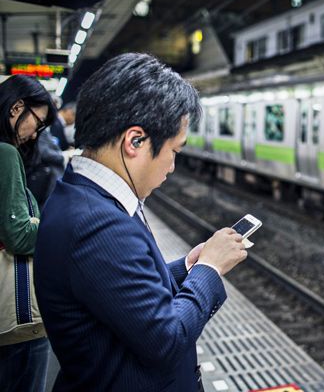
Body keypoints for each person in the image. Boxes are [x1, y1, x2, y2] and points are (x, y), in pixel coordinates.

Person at [34, 53, 248, 392]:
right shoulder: (98, 224)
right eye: (174, 151)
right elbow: (166, 340)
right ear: (135, 141)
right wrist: (210, 269)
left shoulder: (83, 197)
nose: (172, 167)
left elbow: (117, 289)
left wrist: (187, 268)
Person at [0, 75, 56, 392]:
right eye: (37, 122)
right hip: (16, 321)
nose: (35, 133)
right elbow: (18, 234)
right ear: (16, 108)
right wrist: (58, 226)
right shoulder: (5, 153)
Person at [25, 127, 66, 207]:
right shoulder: (41, 131)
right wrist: (63, 156)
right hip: (44, 175)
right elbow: (45, 153)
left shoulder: (44, 130)